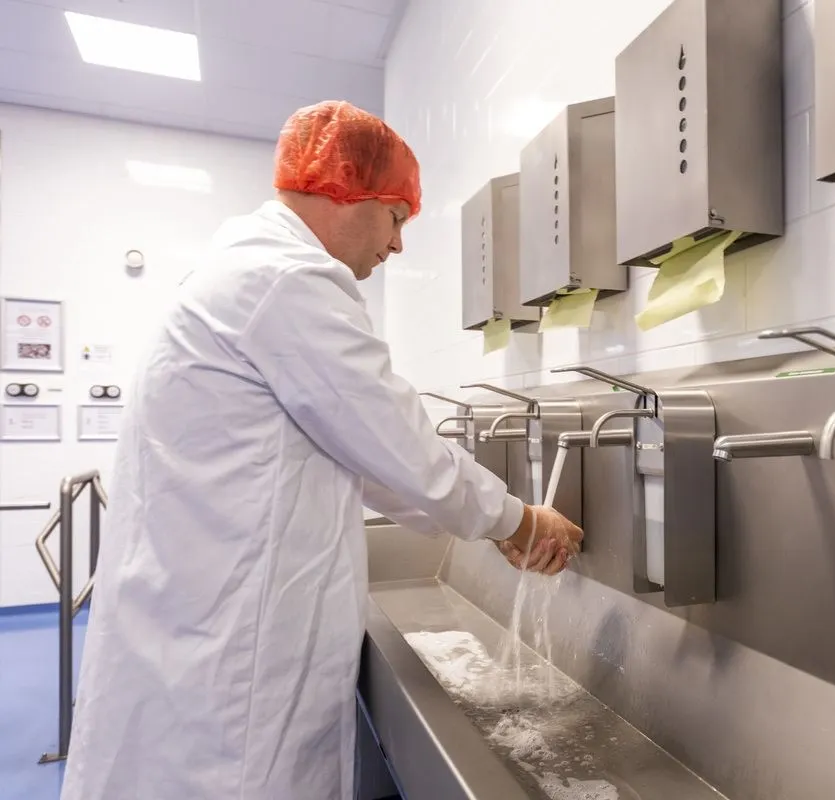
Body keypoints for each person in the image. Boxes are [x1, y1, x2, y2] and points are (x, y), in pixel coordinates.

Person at [60, 100, 583, 800]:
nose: (397, 245)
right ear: (347, 189)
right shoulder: (290, 281)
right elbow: (405, 451)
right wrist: (518, 519)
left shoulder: (247, 272)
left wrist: (488, 521)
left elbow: (369, 458)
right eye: (397, 217)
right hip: (225, 677)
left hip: (198, 641)